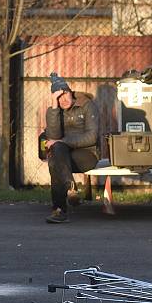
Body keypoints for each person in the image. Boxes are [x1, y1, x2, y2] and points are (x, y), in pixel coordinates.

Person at [44, 72, 98, 223]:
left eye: (64, 94)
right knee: (57, 156)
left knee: (56, 159)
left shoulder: (87, 105)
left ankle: (59, 209)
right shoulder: (54, 111)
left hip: (87, 154)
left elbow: (92, 137)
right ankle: (69, 189)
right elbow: (53, 135)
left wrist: (63, 142)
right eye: (58, 97)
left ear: (69, 91)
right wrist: (54, 106)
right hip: (63, 155)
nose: (63, 100)